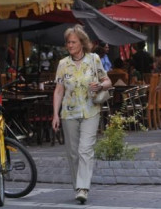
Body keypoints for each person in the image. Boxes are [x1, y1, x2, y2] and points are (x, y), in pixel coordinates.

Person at [51, 25, 112, 204]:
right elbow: (58, 90)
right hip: (68, 113)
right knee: (73, 153)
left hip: (90, 110)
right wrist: (55, 114)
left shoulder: (93, 60)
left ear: (82, 43)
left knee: (86, 149)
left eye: (73, 42)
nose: (69, 45)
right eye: (68, 42)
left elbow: (107, 81)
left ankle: (83, 188)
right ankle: (77, 185)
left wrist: (100, 86)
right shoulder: (63, 64)